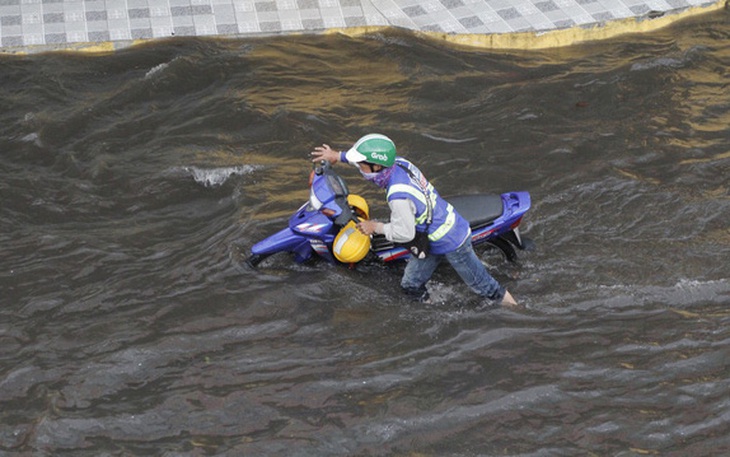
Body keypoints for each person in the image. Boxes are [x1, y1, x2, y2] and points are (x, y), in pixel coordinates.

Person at [311, 133, 518, 307]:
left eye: (361, 166)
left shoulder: (398, 195)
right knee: (410, 285)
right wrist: (338, 156)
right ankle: (431, 309)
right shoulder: (399, 163)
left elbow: (404, 233)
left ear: (376, 167)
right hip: (429, 236)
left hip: (449, 239)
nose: (359, 169)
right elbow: (367, 159)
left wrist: (375, 227)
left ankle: (517, 309)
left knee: (484, 287)